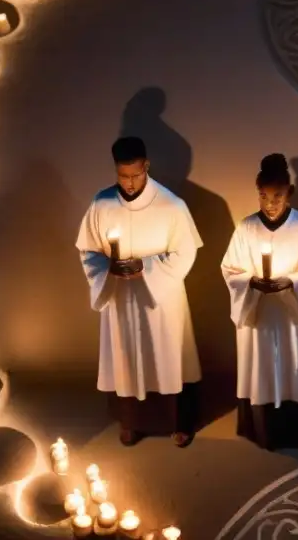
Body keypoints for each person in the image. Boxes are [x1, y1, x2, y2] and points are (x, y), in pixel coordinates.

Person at [75, 136, 203, 447]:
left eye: (135, 175)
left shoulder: (171, 205)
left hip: (161, 301)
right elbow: (89, 251)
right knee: (125, 358)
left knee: (168, 357)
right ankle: (132, 422)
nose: (130, 184)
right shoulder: (101, 203)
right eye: (123, 175)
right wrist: (109, 269)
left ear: (146, 166)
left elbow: (185, 253)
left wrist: (146, 267)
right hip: (121, 299)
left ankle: (177, 422)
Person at [221, 153, 298, 451]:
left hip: (293, 316)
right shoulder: (247, 228)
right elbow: (231, 269)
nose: (270, 203)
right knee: (261, 369)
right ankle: (263, 430)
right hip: (259, 314)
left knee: (296, 368)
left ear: (290, 193)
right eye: (263, 196)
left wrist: (292, 282)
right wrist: (251, 282)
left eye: (278, 196)